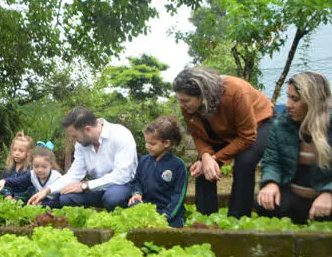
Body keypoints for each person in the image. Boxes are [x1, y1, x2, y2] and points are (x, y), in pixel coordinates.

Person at [173, 67, 274, 218]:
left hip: (259, 124)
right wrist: (205, 156)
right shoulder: (186, 106)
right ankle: (207, 219)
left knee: (244, 162)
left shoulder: (236, 91)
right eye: (179, 99)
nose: (181, 104)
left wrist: (214, 158)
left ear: (203, 94)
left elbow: (247, 137)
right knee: (202, 168)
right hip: (224, 130)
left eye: (186, 100)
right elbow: (197, 134)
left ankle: (238, 218)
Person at [256, 72, 332, 224]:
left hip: (324, 201)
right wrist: (271, 182)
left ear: (313, 101)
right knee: (263, 204)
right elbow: (272, 161)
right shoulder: (281, 125)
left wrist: (329, 193)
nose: (288, 105)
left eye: (295, 99)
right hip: (293, 197)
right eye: (288, 97)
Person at [28, 106, 138, 211]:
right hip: (96, 188)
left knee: (113, 198)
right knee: (66, 197)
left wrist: (85, 185)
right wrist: (47, 190)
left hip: (122, 185)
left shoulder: (120, 135)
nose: (73, 140)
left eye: (75, 136)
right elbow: (75, 174)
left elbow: (122, 175)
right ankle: (89, 218)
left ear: (88, 129)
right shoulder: (82, 144)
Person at [128, 115, 188, 227]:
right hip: (147, 208)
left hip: (167, 211)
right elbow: (137, 181)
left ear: (166, 143)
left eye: (152, 143)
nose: (147, 146)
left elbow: (178, 195)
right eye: (146, 142)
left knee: (173, 226)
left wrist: (167, 215)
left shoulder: (178, 165)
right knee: (132, 209)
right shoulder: (144, 160)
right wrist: (136, 193)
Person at [0, 142, 62, 207]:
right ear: (31, 164)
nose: (40, 170)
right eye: (36, 166)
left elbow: (59, 199)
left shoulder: (56, 177)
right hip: (39, 202)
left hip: (53, 204)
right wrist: (4, 181)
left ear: (51, 165)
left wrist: (42, 205)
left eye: (44, 166)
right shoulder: (32, 174)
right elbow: (17, 181)